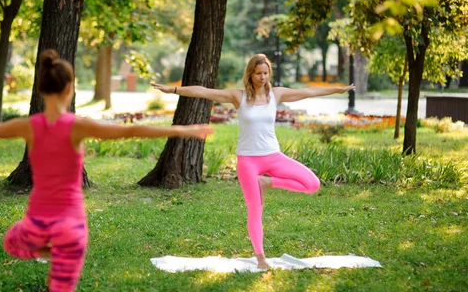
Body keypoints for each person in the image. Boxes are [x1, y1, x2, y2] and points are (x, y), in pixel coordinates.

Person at [0, 49, 213, 292]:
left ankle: (47, 251)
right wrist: (186, 129)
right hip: (72, 228)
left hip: (37, 224)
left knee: (11, 242)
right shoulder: (77, 126)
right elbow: (131, 129)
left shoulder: (30, 125)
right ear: (70, 89)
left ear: (41, 89)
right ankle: (57, 256)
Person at [151, 53, 354, 270]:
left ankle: (267, 182)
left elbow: (309, 91)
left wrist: (338, 89)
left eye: (266, 73)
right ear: (250, 73)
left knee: (312, 184)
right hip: (248, 160)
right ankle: (260, 257)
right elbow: (203, 91)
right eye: (259, 73)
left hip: (274, 156)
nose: (263, 77)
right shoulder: (238, 97)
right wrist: (172, 90)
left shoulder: (277, 94)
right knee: (255, 209)